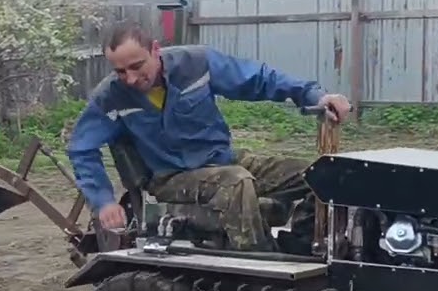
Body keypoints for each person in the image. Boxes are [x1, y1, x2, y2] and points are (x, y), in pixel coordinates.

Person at [65, 20, 352, 252]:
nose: (129, 78)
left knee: (322, 174)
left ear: (155, 50)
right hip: (172, 177)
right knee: (237, 183)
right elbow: (82, 148)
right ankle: (262, 263)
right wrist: (103, 200)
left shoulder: (196, 64)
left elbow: (259, 79)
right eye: (119, 71)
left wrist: (315, 95)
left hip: (222, 160)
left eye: (136, 66)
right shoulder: (110, 97)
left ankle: (300, 248)